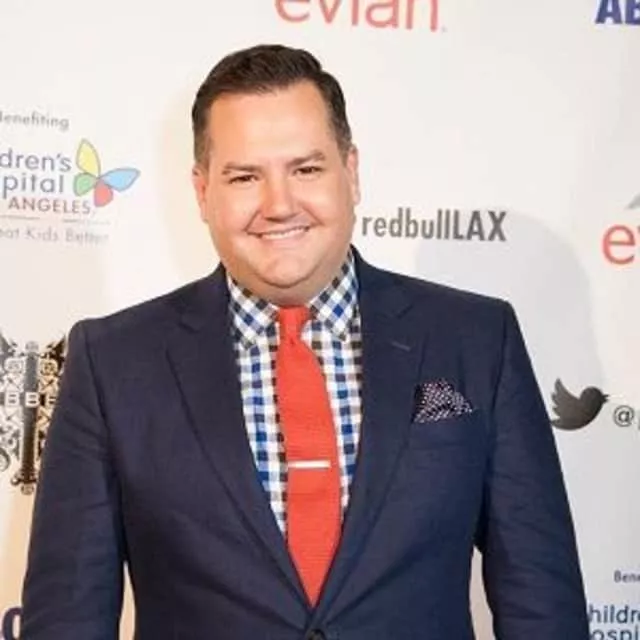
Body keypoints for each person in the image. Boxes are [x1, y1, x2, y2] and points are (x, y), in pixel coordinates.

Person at [21, 44, 589, 639]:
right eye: (245, 177)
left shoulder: (476, 341)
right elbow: (66, 621)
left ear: (352, 172)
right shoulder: (112, 364)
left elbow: (543, 606)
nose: (279, 204)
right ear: (202, 192)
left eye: (306, 169)